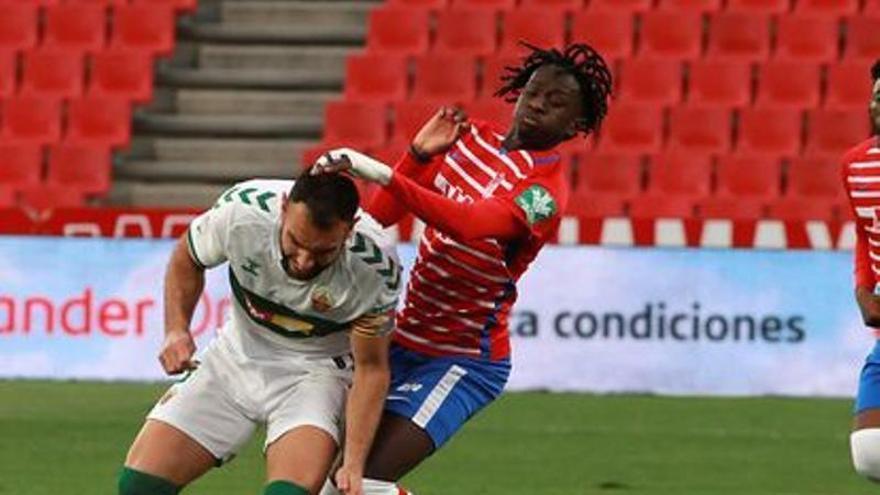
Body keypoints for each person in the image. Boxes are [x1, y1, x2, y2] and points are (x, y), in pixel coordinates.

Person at [316, 42, 613, 495]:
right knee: (326, 480)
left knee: (360, 485)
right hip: (394, 341)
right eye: (534, 92)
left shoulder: (544, 193)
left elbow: (470, 224)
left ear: (575, 126)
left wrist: (379, 171)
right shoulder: (469, 139)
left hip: (461, 361)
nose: (537, 106)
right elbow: (379, 219)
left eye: (556, 104)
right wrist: (415, 155)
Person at [118, 173, 401, 495]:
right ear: (283, 208)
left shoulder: (376, 269)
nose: (304, 261)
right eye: (295, 241)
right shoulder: (241, 212)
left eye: (323, 252)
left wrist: (352, 461)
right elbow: (188, 257)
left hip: (316, 375)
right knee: (139, 487)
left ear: (349, 229)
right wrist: (176, 330)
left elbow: (372, 369)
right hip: (235, 355)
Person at [844, 59, 880, 483]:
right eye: (875, 95)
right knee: (870, 453)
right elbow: (865, 231)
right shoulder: (856, 165)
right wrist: (863, 288)